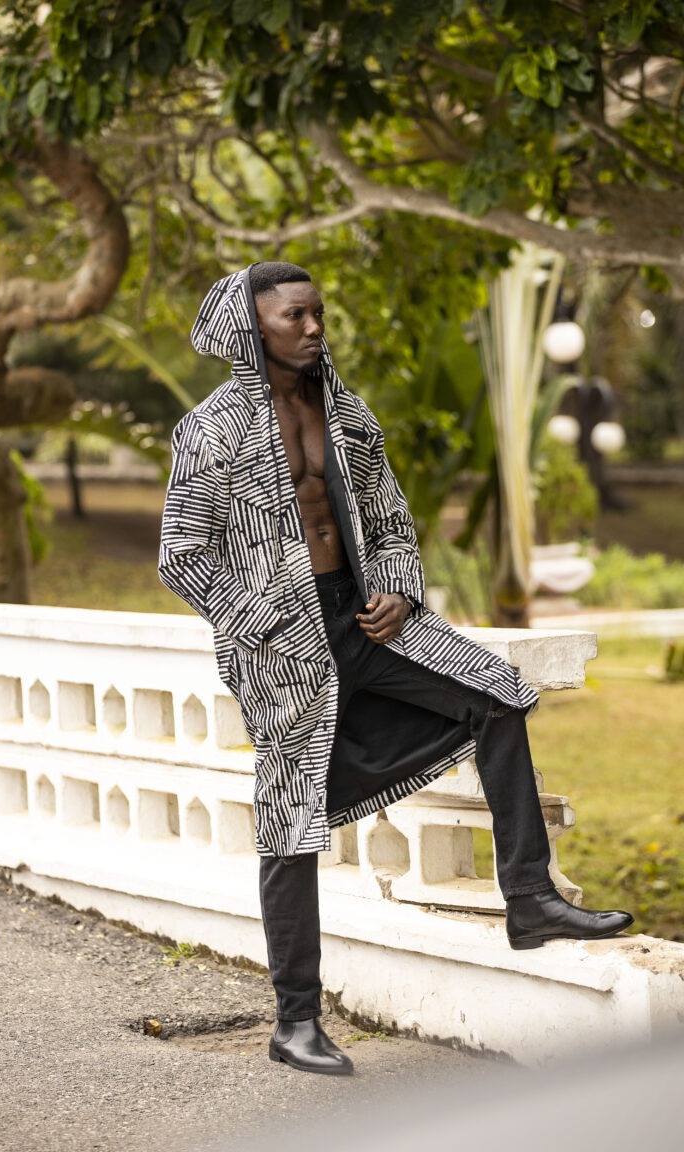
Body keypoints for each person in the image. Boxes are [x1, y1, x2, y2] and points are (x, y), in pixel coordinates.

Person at [158, 261, 633, 1078]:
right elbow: (183, 556)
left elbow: (391, 522)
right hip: (282, 644)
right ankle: (295, 1022)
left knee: (497, 697)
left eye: (318, 312)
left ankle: (530, 898)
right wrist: (268, 623)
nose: (314, 328)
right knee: (291, 822)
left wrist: (399, 589)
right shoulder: (213, 429)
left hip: (367, 620)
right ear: (250, 328)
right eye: (295, 316)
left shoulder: (346, 413)